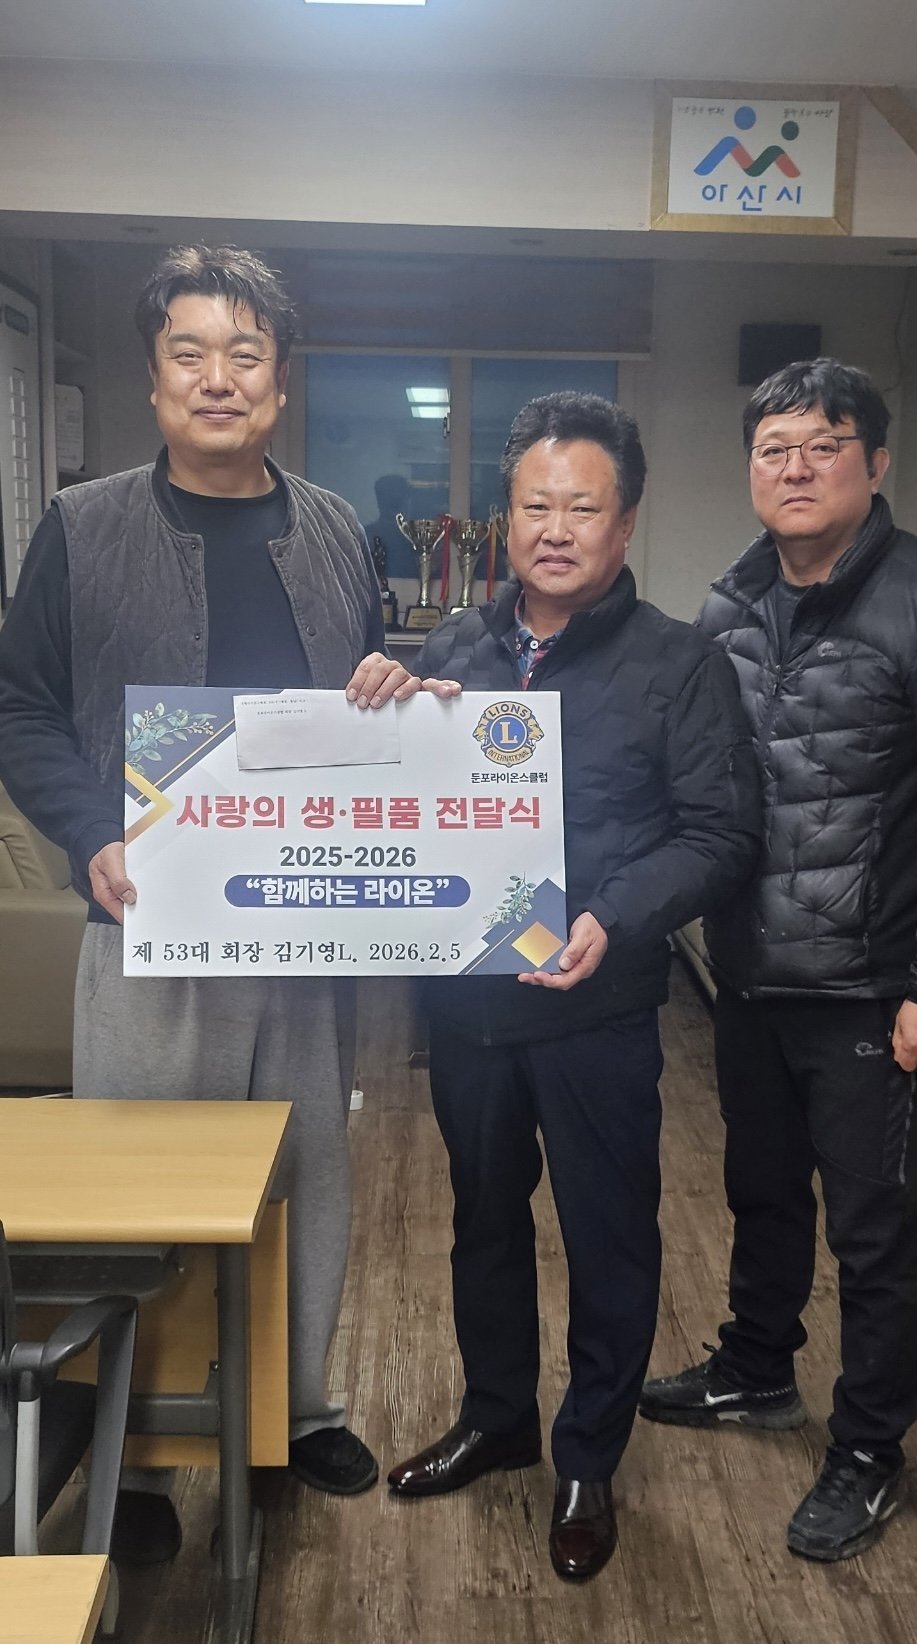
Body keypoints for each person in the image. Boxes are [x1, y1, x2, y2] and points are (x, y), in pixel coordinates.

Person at [0, 244, 449, 1563]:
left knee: (304, 1171)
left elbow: (362, 698)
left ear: (280, 382)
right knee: (138, 1196)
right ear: (153, 381)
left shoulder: (334, 526)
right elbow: (20, 707)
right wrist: (90, 833)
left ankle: (293, 1411)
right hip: (142, 922)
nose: (218, 378)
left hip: (299, 929)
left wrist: (400, 697)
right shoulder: (81, 525)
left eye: (245, 355)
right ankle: (133, 1448)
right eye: (189, 353)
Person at [639, 358, 917, 1562]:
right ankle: (756, 1367)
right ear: (748, 468)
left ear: (875, 461)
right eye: (773, 449)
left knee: (873, 1231)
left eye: (824, 445)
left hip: (872, 984)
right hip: (748, 968)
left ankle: (868, 1446)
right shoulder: (730, 603)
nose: (795, 469)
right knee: (759, 1190)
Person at [385, 392, 762, 1581]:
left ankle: (587, 1457)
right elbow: (405, 806)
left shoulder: (678, 663)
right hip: (469, 1009)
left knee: (607, 1235)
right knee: (482, 1219)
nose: (555, 529)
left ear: (626, 521)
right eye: (534, 506)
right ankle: (497, 1417)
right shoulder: (452, 651)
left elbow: (721, 833)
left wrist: (614, 916)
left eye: (582, 508)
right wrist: (382, 714)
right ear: (504, 517)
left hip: (595, 1006)